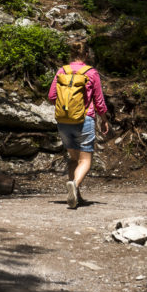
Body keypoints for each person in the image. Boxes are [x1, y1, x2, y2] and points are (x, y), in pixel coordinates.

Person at [48, 42, 109, 209]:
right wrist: (104, 119)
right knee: (85, 160)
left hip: (64, 121)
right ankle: (74, 185)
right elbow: (99, 101)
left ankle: (75, 194)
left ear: (70, 54)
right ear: (87, 55)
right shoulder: (91, 73)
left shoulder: (62, 71)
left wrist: (66, 107)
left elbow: (52, 96)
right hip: (85, 120)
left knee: (74, 159)